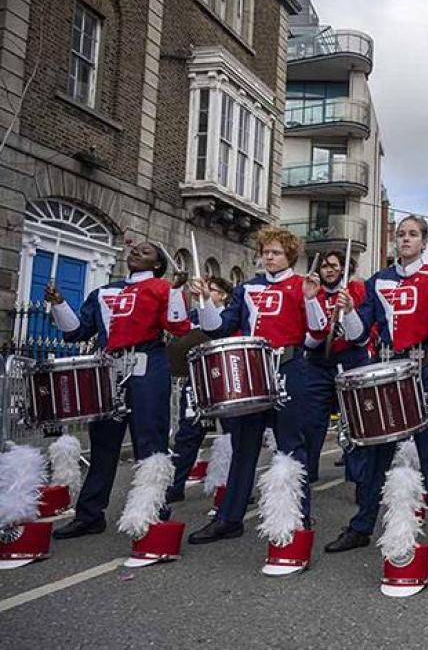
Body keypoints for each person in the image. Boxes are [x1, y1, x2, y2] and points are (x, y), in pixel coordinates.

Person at [329, 216, 428, 561]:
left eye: (413, 235)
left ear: (425, 242)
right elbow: (355, 334)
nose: (405, 240)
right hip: (387, 368)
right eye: (401, 235)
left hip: (425, 368)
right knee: (377, 454)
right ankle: (361, 527)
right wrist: (350, 310)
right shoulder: (378, 280)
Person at [186, 227, 328, 545]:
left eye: (275, 252)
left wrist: (312, 299)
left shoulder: (300, 285)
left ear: (289, 255)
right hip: (251, 372)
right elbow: (220, 330)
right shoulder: (248, 288)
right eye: (265, 251)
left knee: (292, 446)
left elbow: (319, 333)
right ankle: (229, 518)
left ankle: (298, 516)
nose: (268, 256)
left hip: (289, 367)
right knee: (243, 448)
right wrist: (206, 301)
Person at [46, 242, 190, 538]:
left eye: (147, 251)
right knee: (102, 443)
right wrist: (59, 303)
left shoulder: (162, 289)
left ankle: (154, 511)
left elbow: (179, 328)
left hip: (146, 367)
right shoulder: (102, 292)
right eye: (135, 249)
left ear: (158, 265)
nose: (137, 251)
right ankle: (89, 515)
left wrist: (176, 292)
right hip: (108, 369)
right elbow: (75, 331)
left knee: (150, 442)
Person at [303, 250, 371, 487]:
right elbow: (307, 339)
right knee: (312, 421)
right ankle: (307, 474)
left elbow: (361, 338)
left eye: (333, 265)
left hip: (353, 362)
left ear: (343, 268)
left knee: (354, 421)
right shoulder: (312, 293)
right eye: (324, 266)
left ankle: (358, 478)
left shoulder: (358, 291)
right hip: (319, 363)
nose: (328, 270)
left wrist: (350, 311)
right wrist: (322, 334)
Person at [166, 276, 234, 502]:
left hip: (225, 380)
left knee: (232, 435)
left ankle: (229, 487)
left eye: (210, 290)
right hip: (196, 380)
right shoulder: (193, 317)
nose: (203, 292)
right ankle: (176, 485)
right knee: (188, 435)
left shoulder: (230, 316)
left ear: (223, 295)